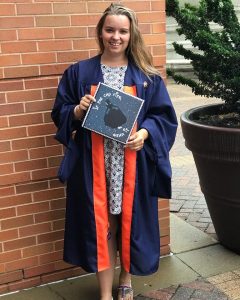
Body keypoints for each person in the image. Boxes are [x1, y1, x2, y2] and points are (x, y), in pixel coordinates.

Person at [51, 3, 177, 300]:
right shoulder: (79, 72)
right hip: (94, 165)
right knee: (102, 224)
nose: (115, 36)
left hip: (132, 164)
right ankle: (105, 293)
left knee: (127, 222)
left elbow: (163, 117)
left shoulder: (147, 76)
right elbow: (60, 111)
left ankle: (126, 279)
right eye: (110, 29)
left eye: (122, 31)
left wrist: (145, 133)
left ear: (132, 35)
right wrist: (78, 113)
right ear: (100, 32)